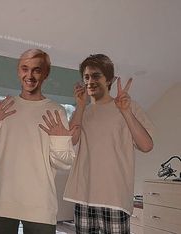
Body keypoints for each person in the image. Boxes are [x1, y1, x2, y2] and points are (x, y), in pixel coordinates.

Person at [0, 49, 77, 234]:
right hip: (3, 201)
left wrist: (60, 139)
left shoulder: (57, 111)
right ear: (18, 71)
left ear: (45, 74)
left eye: (36, 70)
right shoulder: (2, 107)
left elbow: (64, 163)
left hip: (40, 204)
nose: (29, 75)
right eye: (24, 68)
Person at [63, 54, 154, 234]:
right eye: (86, 77)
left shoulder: (128, 106)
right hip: (83, 196)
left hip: (115, 198)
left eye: (96, 76)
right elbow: (69, 141)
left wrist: (126, 112)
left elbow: (146, 146)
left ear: (109, 79)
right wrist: (80, 106)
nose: (90, 81)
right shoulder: (83, 111)